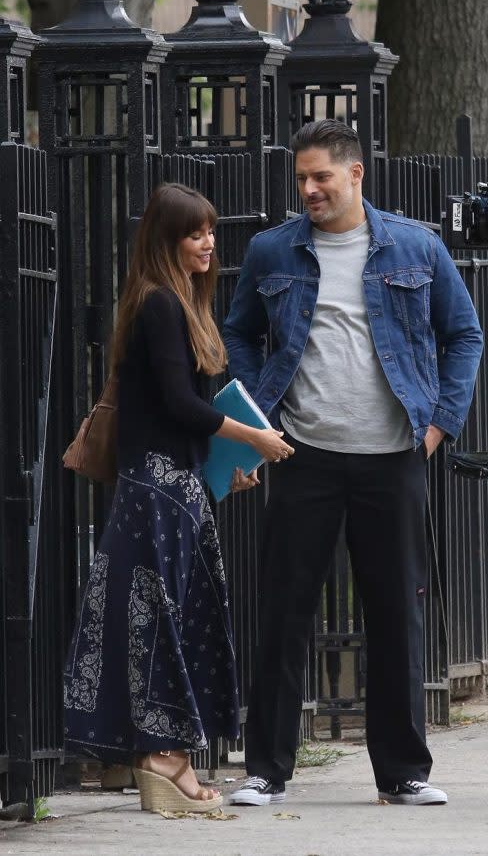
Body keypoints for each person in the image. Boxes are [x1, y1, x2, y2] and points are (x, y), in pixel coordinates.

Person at [223, 119, 483, 807]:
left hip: (393, 454)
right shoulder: (271, 251)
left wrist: (437, 427)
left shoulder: (415, 245)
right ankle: (266, 770)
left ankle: (403, 772)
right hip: (304, 454)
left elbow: (465, 335)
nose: (309, 189)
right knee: (284, 612)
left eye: (321, 178)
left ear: (356, 174)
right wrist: (259, 420)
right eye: (302, 178)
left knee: (397, 613)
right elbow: (240, 334)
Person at [63, 183, 293, 814]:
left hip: (173, 488)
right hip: (158, 493)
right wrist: (257, 439)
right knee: (167, 623)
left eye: (211, 232)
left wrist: (228, 467)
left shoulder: (177, 302)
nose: (209, 244)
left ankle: (155, 757)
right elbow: (179, 406)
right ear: (167, 241)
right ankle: (165, 762)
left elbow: (180, 416)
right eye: (195, 234)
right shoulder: (159, 304)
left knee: (166, 621)